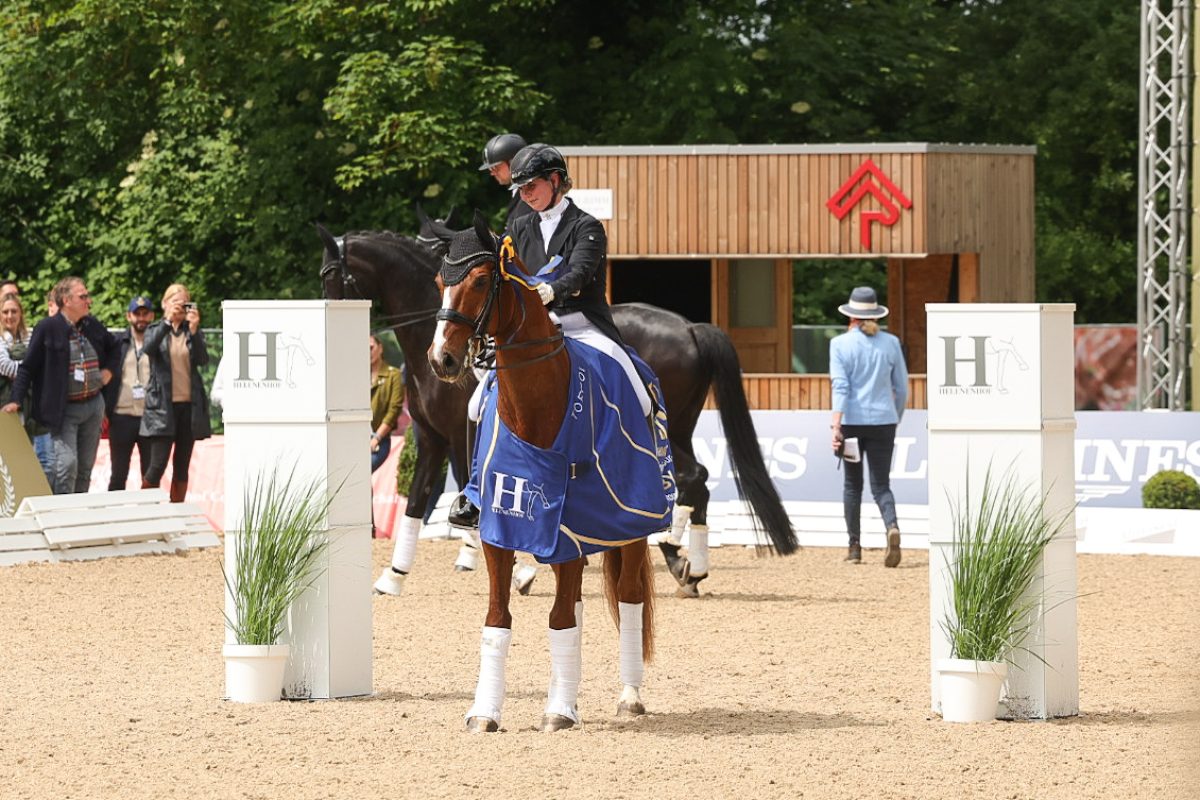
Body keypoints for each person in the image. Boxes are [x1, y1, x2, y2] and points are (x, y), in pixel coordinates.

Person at [2, 277, 118, 494]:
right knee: (66, 465)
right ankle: (62, 514)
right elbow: (28, 367)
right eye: (83, 296)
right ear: (66, 300)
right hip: (64, 410)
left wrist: (109, 371)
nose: (88, 301)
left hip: (94, 406)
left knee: (85, 467)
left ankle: (77, 515)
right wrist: (16, 400)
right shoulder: (47, 328)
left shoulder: (92, 325)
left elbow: (115, 348)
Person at [829, 286, 908, 566]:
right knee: (881, 485)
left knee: (852, 486)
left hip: (851, 421)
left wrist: (836, 425)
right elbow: (902, 387)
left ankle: (854, 547)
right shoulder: (891, 343)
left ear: (850, 317)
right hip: (883, 420)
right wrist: (894, 417)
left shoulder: (839, 345)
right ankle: (891, 526)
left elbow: (840, 386)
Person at [139, 283, 211, 502]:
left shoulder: (191, 332)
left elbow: (203, 360)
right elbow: (148, 349)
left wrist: (195, 330)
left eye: (184, 303)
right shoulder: (155, 329)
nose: (179, 307)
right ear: (164, 304)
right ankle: (146, 511)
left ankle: (177, 513)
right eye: (175, 302)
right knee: (157, 464)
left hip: (189, 407)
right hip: (162, 407)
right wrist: (167, 321)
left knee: (182, 466)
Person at [103, 296, 155, 491]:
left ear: (151, 315)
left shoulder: (157, 342)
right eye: (137, 314)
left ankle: (149, 517)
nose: (141, 318)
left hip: (149, 416)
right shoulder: (118, 343)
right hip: (122, 416)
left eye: (145, 313)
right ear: (128, 316)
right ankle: (114, 518)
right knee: (118, 474)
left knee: (150, 474)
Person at [479, 132, 534, 233]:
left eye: (496, 167)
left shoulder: (530, 199)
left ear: (515, 161)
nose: (492, 172)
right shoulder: (519, 195)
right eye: (490, 169)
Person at [369, 333, 404, 473]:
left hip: (379, 439)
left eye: (371, 347)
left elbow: (394, 410)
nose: (367, 352)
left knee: (362, 472)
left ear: (380, 348)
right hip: (357, 438)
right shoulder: (357, 375)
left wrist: (377, 437)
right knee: (360, 479)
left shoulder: (393, 375)